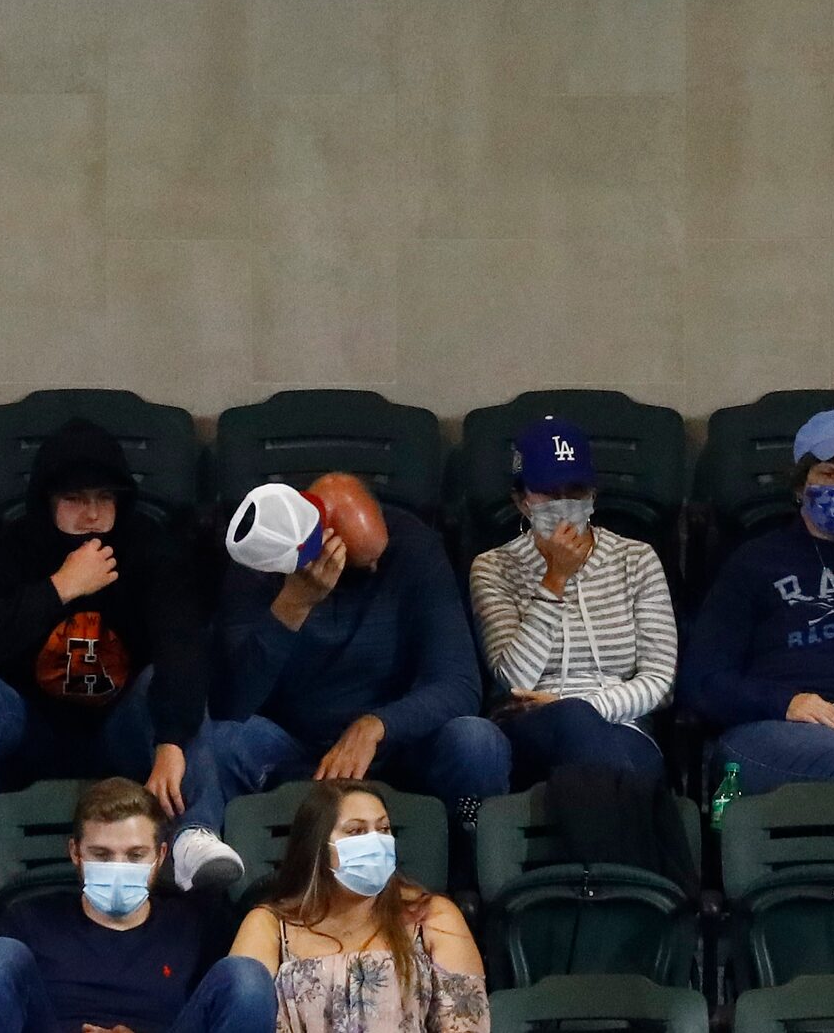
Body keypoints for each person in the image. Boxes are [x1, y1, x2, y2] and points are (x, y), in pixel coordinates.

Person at [0, 418, 241, 896]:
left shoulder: (149, 548)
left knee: (171, 686)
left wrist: (171, 739)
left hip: (119, 726)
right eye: (74, 500)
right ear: (48, 502)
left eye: (103, 499)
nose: (91, 514)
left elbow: (182, 644)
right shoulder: (8, 550)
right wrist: (59, 588)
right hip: (29, 728)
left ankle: (195, 835)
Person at [213, 473, 509, 833]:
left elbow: (459, 683)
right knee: (220, 740)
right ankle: (237, 876)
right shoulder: (264, 556)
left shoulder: (414, 545)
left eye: (378, 559)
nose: (373, 569)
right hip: (294, 745)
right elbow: (233, 701)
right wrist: (293, 604)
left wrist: (377, 726)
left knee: (476, 740)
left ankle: (470, 865)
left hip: (396, 743)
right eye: (360, 564)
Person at [681, 408, 834, 796]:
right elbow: (702, 681)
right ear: (801, 485)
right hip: (776, 728)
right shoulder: (754, 561)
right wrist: (785, 702)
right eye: (829, 475)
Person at [0, 776, 276, 1033]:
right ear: (75, 853)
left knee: (246, 976)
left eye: (135, 855)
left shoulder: (195, 924)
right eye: (102, 855)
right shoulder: (27, 920)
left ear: (160, 856)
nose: (119, 865)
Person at [468, 419, 677, 786]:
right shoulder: (494, 567)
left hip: (623, 724)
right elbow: (514, 678)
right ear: (521, 501)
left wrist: (587, 707)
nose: (564, 505)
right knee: (610, 766)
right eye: (549, 493)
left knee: (604, 749)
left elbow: (659, 679)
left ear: (593, 495)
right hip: (532, 728)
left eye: (576, 491)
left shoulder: (636, 558)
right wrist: (555, 579)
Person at [230, 781, 490, 1033]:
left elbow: (466, 1024)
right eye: (356, 831)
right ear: (317, 846)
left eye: (384, 829)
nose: (375, 842)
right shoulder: (269, 924)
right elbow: (243, 1016)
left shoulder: (433, 916)